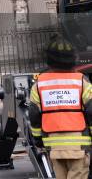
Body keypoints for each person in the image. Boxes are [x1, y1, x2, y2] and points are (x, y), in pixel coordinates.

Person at [29, 38, 92, 179]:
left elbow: (34, 116)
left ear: (49, 60)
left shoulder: (39, 84)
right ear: (73, 59)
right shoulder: (82, 82)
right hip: (79, 147)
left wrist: (38, 140)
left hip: (53, 147)